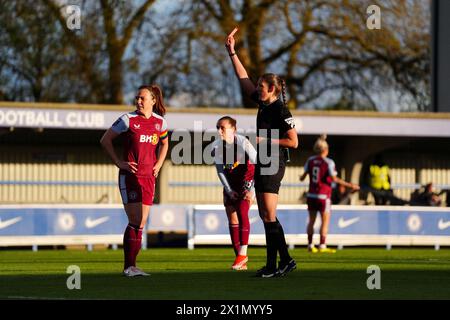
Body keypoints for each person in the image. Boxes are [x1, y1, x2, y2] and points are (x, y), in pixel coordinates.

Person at [225, 27, 299, 278]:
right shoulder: (264, 104)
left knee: (268, 215)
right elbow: (243, 79)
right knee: (266, 215)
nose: (257, 89)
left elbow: (294, 142)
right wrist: (232, 52)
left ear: (273, 90)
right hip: (263, 161)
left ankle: (280, 263)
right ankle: (280, 263)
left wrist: (265, 138)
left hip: (274, 162)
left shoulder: (281, 110)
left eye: (261, 87)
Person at [100, 85, 169, 277]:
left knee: (142, 222)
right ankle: (128, 266)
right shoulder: (127, 120)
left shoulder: (160, 123)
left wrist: (159, 164)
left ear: (153, 101)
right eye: (137, 98)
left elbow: (165, 143)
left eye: (142, 98)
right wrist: (119, 162)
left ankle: (133, 266)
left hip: (149, 177)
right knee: (135, 220)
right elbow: (105, 140)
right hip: (130, 177)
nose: (138, 101)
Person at [300, 135, 359, 253]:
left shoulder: (310, 161)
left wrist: (302, 177)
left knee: (311, 221)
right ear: (326, 150)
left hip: (311, 196)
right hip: (323, 196)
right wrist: (350, 185)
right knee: (324, 222)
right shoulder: (329, 162)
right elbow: (334, 179)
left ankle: (310, 245)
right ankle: (322, 245)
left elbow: (302, 177)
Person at [213, 116, 257, 271]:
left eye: (222, 127)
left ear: (234, 130)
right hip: (231, 185)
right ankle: (240, 260)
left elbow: (259, 164)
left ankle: (242, 255)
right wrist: (228, 189)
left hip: (246, 182)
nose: (219, 131)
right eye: (218, 127)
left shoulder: (243, 143)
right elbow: (220, 171)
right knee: (232, 218)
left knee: (242, 213)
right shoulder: (217, 147)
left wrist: (252, 191)